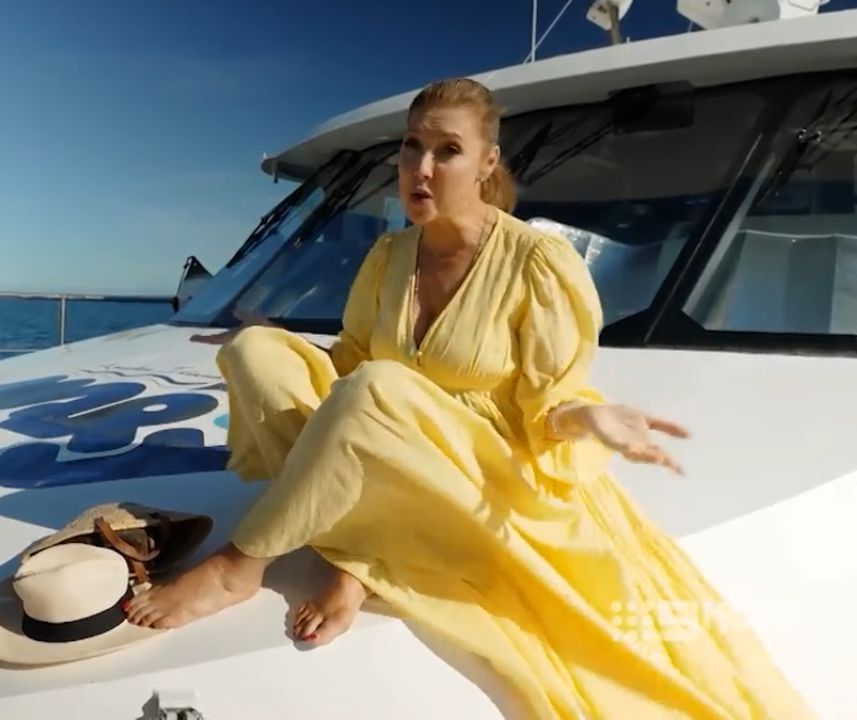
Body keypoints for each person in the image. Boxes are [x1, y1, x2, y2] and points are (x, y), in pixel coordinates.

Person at [128, 78, 813, 718]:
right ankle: (356, 557)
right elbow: (349, 365)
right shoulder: (387, 258)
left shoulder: (536, 263)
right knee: (258, 353)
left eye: (447, 151)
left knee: (378, 389)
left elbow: (545, 403)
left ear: (487, 163)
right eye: (411, 147)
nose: (421, 169)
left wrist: (589, 415)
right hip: (389, 441)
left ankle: (240, 567)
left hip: (484, 473)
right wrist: (269, 343)